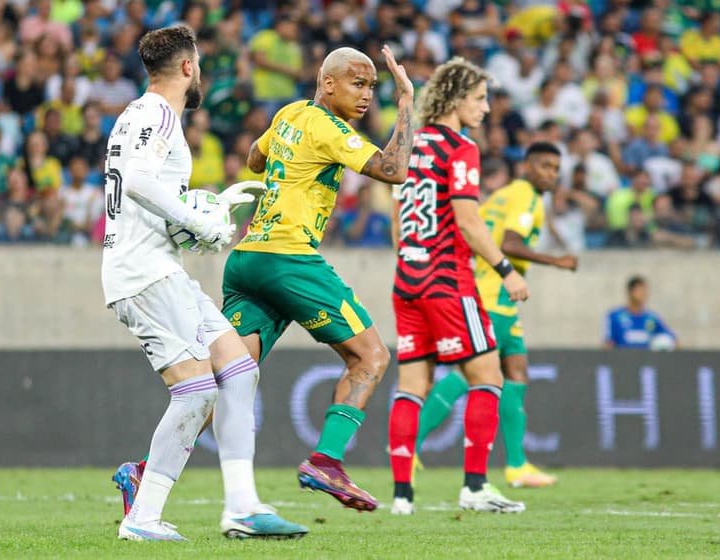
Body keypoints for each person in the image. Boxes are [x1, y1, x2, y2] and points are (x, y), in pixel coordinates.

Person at [101, 25, 305, 541]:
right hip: (143, 273)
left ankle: (242, 506)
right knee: (194, 391)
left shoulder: (137, 115)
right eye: (200, 67)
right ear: (188, 67)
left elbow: (150, 195)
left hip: (160, 266)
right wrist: (198, 221)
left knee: (237, 369)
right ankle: (143, 517)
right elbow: (140, 182)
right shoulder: (157, 114)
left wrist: (208, 208)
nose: (201, 77)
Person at [220, 45, 414, 512]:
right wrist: (406, 102)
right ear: (328, 83)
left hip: (247, 258)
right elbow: (394, 170)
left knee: (226, 380)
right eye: (357, 83)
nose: (366, 95)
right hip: (289, 258)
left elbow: (254, 158)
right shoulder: (330, 127)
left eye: (373, 87)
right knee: (370, 356)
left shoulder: (290, 113)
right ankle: (326, 461)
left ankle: (146, 472)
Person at [386, 57, 527, 516]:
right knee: (488, 377)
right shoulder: (461, 148)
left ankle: (402, 497)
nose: (486, 108)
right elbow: (468, 220)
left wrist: (412, 261)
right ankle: (475, 487)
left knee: (412, 385)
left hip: (407, 280)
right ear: (457, 98)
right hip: (448, 281)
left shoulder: (408, 144)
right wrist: (506, 269)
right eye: (480, 99)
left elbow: (397, 222)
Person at [410, 143, 579, 496]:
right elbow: (510, 244)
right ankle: (408, 443)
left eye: (555, 168)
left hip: (496, 297)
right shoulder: (525, 197)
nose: (551, 174)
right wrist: (557, 261)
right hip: (493, 297)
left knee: (517, 373)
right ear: (527, 167)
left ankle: (517, 465)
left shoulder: (506, 194)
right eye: (545, 166)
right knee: (471, 374)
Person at [603, 276, 677, 349]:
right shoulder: (615, 316)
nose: (643, 294)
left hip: (646, 357)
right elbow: (608, 344)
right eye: (640, 290)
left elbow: (673, 339)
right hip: (623, 356)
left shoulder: (652, 318)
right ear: (630, 291)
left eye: (645, 290)